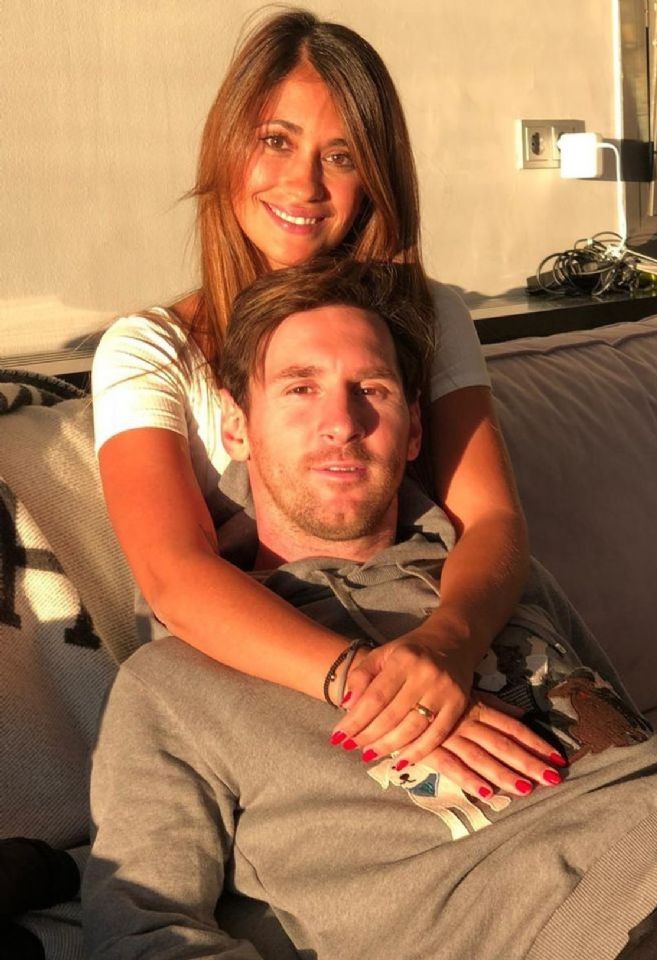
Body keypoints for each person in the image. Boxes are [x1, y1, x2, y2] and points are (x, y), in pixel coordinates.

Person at [84, 261, 657, 960]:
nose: (341, 423)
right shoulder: (174, 685)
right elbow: (139, 926)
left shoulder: (496, 583)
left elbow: (636, 742)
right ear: (236, 427)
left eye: (371, 389)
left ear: (413, 431)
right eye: (300, 388)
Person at [90, 7, 528, 769]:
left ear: (375, 180)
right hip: (266, 685)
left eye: (343, 156)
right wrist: (374, 686)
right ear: (229, 147)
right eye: (276, 141)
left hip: (432, 639)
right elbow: (172, 574)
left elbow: (490, 518)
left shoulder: (429, 313)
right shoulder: (152, 349)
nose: (304, 184)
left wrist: (446, 648)